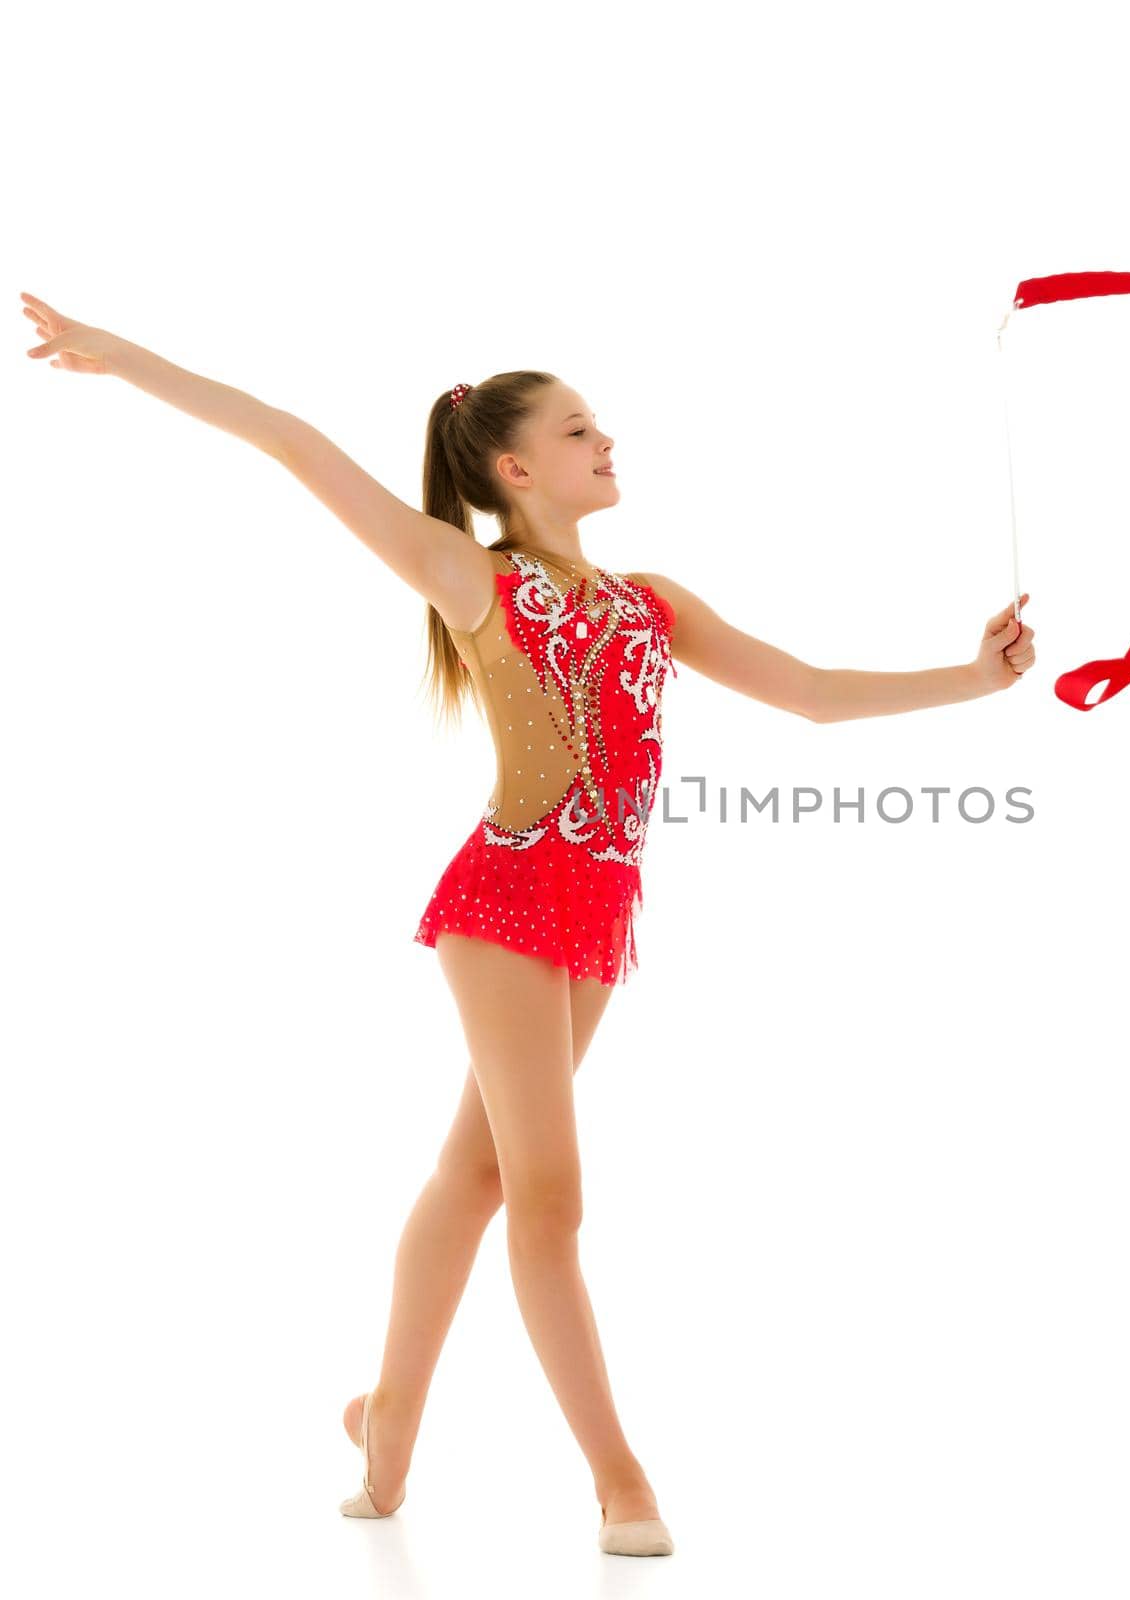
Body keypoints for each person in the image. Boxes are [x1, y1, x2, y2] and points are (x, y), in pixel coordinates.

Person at [20, 291, 1038, 1556]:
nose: (605, 442)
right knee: (547, 1195)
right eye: (577, 430)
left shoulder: (651, 604)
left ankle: (386, 1422)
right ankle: (621, 1480)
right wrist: (120, 357)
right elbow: (286, 436)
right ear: (511, 468)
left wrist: (974, 679)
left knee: (480, 1172)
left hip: (597, 910)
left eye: (598, 426)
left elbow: (815, 697)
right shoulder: (471, 574)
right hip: (506, 899)